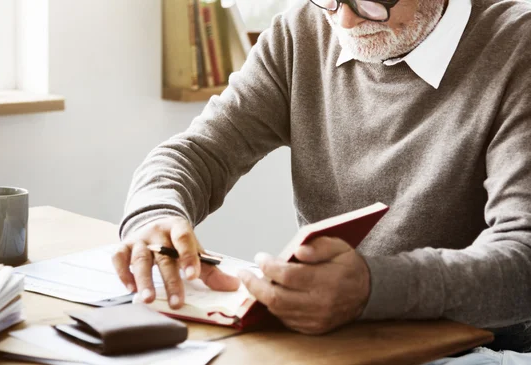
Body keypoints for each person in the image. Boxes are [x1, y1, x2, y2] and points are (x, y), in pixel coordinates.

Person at [112, 0, 531, 358]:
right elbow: (200, 152)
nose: (344, 22)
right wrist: (155, 211)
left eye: (370, 1)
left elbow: (522, 261)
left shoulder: (518, 47)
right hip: (339, 344)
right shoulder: (302, 30)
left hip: (487, 348)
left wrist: (372, 289)